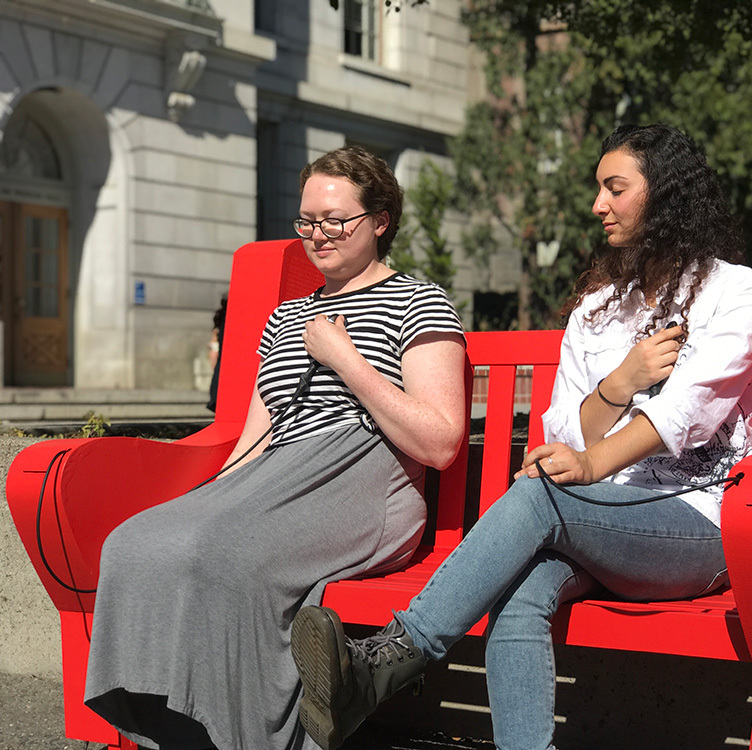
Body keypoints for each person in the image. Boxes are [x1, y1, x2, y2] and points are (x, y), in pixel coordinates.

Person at [290, 123, 752, 750]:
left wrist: (588, 466)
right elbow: (565, 430)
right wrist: (617, 386)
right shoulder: (600, 308)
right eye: (599, 189)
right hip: (596, 525)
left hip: (697, 524)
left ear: (666, 196)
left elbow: (690, 414)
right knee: (521, 588)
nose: (598, 204)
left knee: (544, 493)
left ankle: (393, 657)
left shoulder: (736, 291)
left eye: (615, 188)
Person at [82, 146, 467, 750]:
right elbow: (257, 438)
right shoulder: (286, 316)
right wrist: (210, 498)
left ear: (380, 219)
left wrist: (344, 358)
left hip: (364, 475)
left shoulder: (418, 301)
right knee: (133, 542)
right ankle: (180, 732)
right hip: (278, 478)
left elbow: (441, 442)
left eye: (335, 220)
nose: (318, 234)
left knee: (227, 558)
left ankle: (254, 735)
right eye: (307, 220)